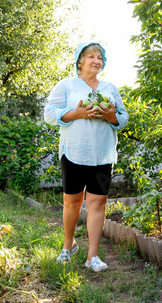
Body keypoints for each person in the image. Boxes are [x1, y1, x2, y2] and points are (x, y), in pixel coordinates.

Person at [44, 42, 129, 271]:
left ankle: (92, 256)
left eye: (100, 57)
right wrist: (77, 113)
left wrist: (112, 116)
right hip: (74, 153)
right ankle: (68, 245)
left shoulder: (110, 87)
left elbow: (123, 117)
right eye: (91, 56)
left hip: (102, 156)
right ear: (79, 61)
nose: (96, 60)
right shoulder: (66, 86)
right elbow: (49, 114)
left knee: (98, 203)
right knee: (72, 201)